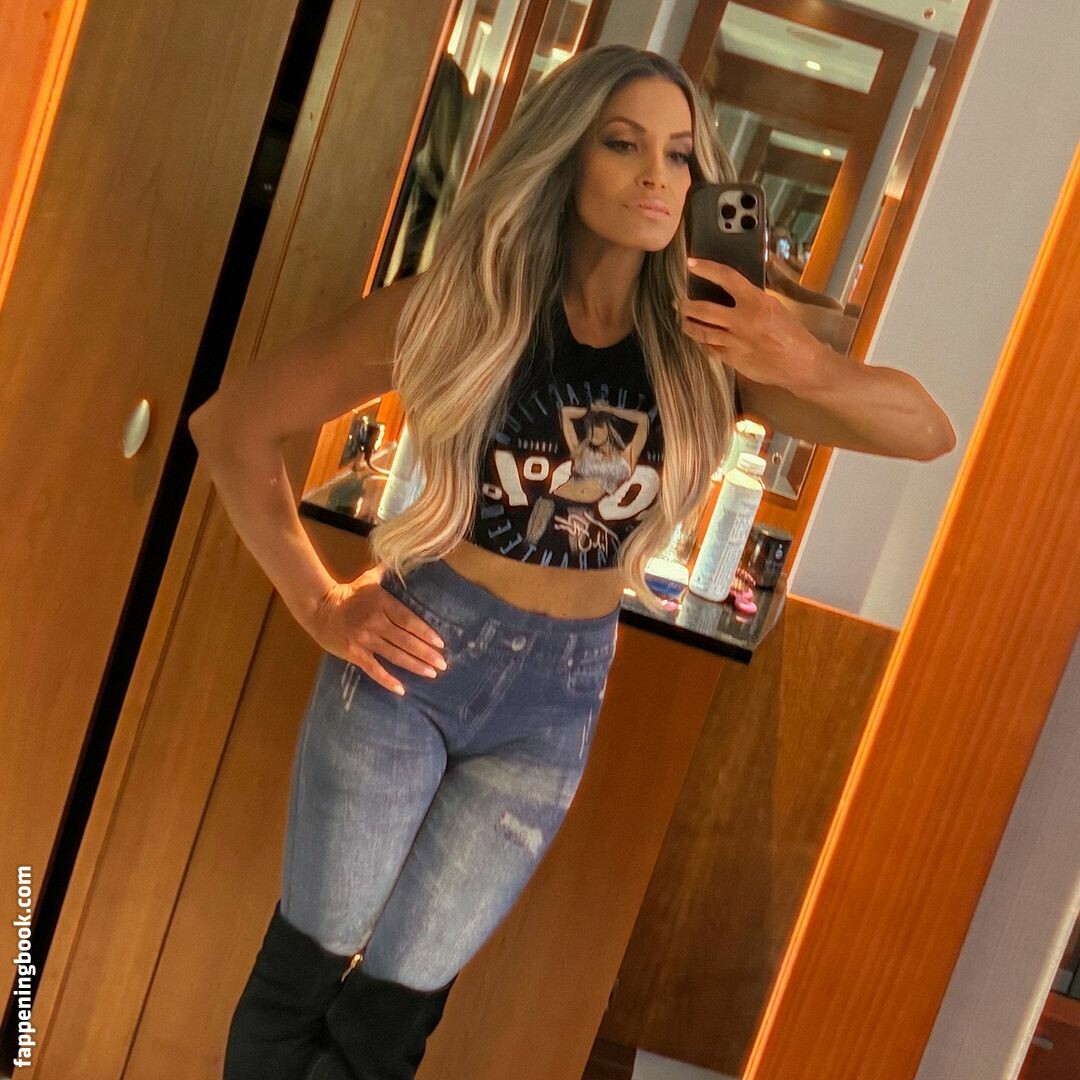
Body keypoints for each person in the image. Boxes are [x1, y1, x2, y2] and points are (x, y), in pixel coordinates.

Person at [189, 42, 955, 1080]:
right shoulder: (461, 308)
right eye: (624, 144)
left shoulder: (706, 352)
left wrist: (802, 359)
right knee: (307, 974)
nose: (656, 176)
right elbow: (233, 427)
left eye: (679, 155)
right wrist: (321, 605)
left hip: (557, 701)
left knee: (394, 1015)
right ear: (566, 155)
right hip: (419, 656)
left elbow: (926, 431)